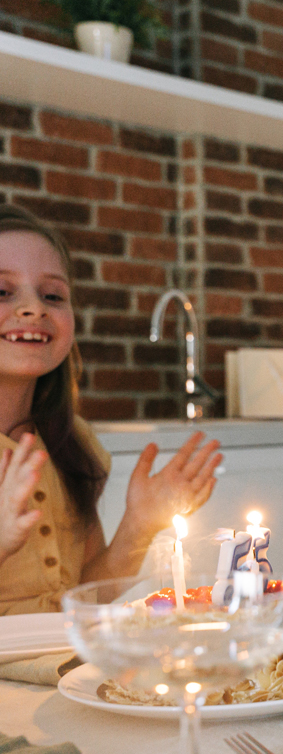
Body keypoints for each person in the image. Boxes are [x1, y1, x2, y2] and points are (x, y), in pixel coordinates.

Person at [0, 205, 223, 615]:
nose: (34, 308)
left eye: (53, 295)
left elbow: (86, 597)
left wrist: (140, 524)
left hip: (62, 666)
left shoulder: (72, 442)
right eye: (2, 291)